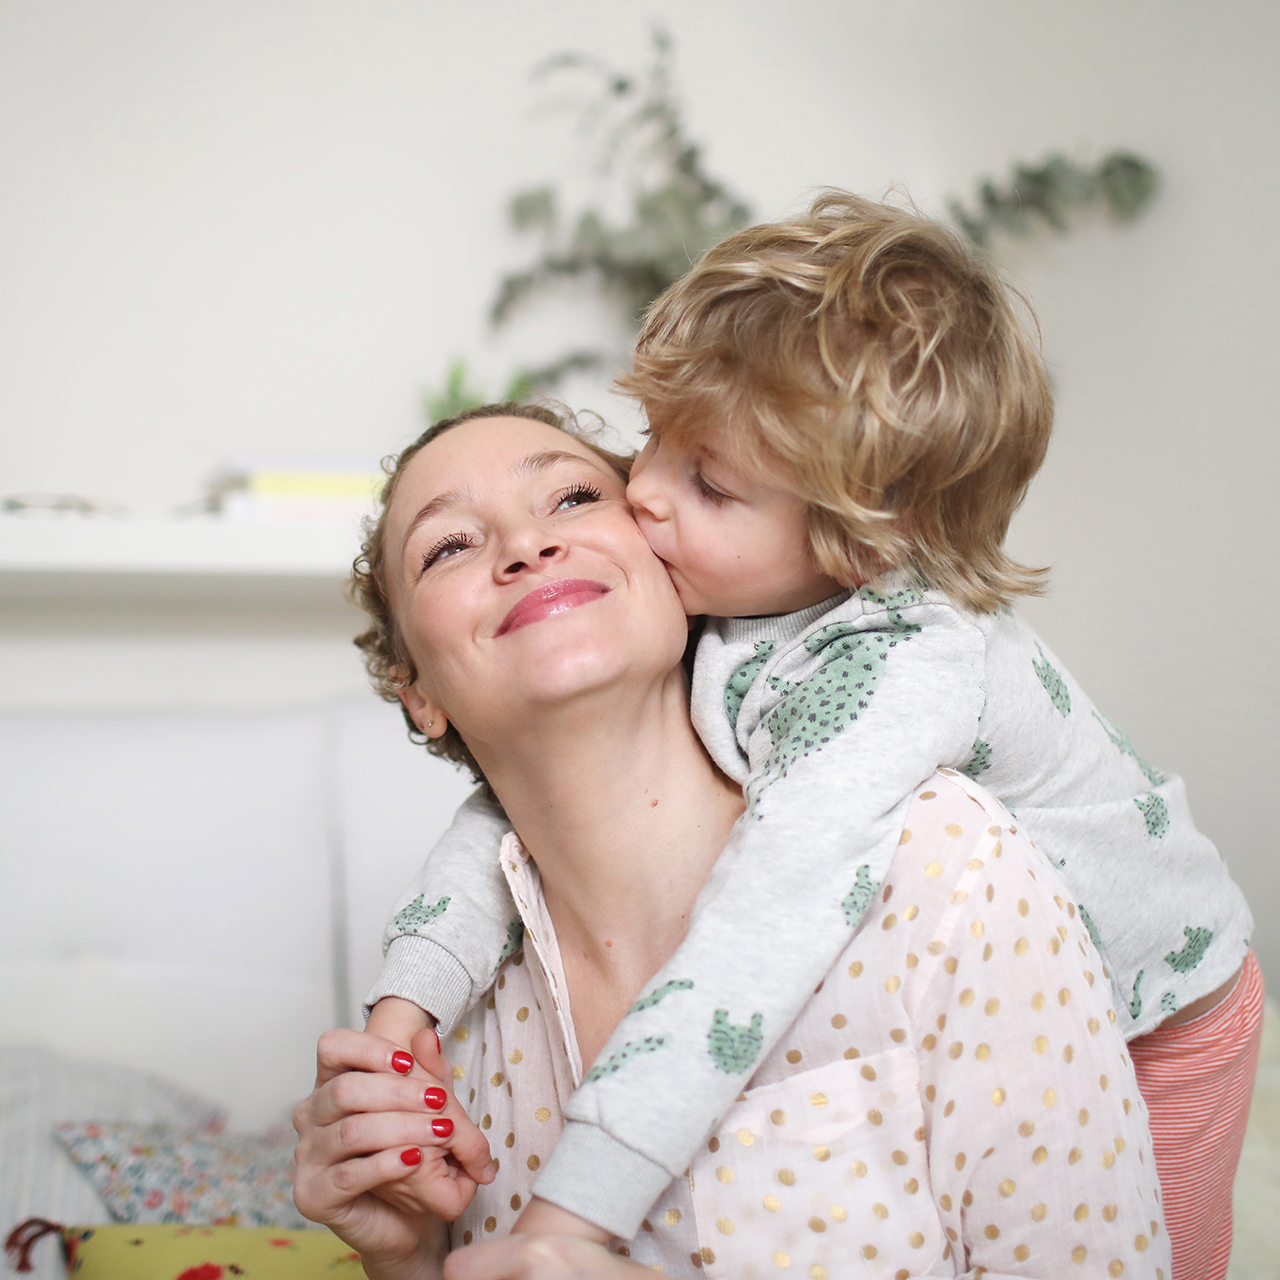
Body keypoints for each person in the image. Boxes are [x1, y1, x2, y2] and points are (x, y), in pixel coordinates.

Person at [360, 196, 1261, 1279]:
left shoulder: (900, 706)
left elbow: (771, 907)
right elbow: (505, 821)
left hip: (1170, 1006)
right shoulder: (729, 603)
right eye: (646, 444)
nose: (639, 496)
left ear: (856, 551)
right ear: (417, 689)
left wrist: (571, 1214)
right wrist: (406, 1003)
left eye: (702, 483)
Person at [293, 406, 1171, 1278]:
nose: (525, 546)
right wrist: (407, 1255)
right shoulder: (455, 1031)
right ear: (416, 691)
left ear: (669, 560)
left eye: (571, 497)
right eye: (448, 546)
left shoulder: (946, 862)